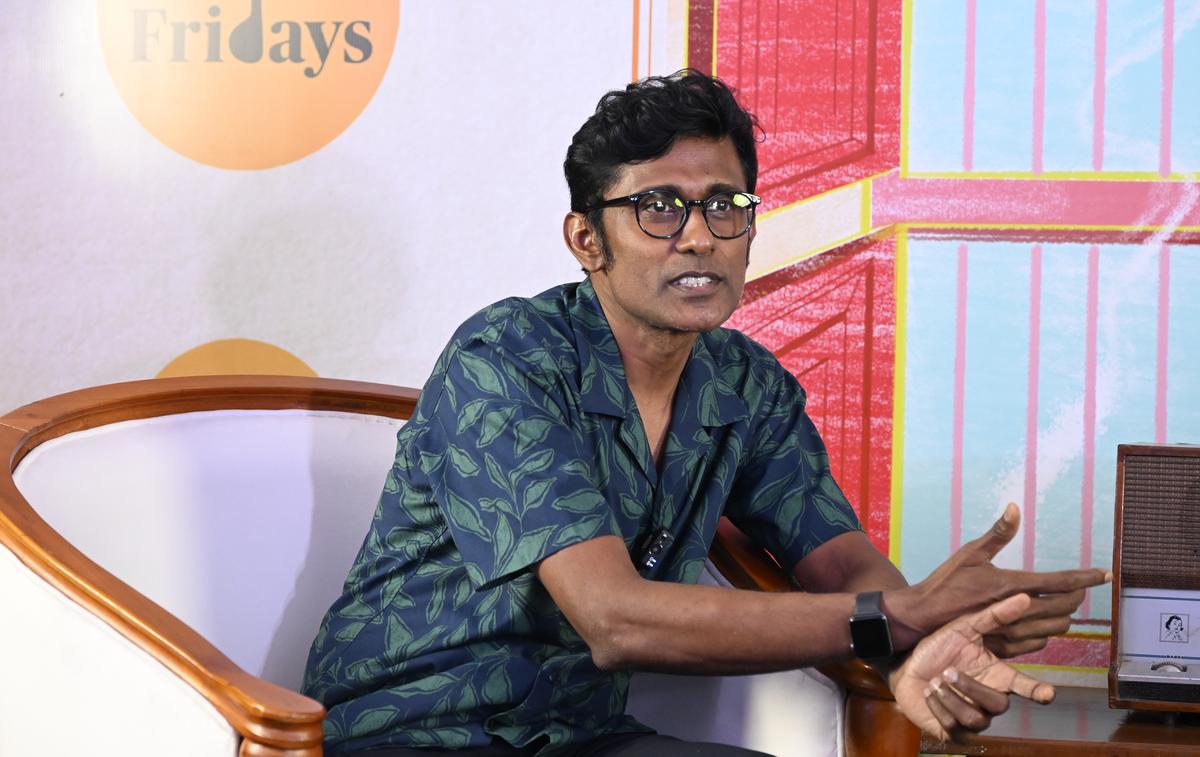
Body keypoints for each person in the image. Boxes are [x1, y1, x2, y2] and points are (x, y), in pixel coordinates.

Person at [302, 70, 1110, 757]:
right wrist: (898, 616)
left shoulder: (746, 386)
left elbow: (838, 564)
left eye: (726, 205)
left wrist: (916, 651)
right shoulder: (506, 358)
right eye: (659, 207)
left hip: (576, 734)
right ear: (587, 239)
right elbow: (615, 619)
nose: (699, 236)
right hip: (411, 728)